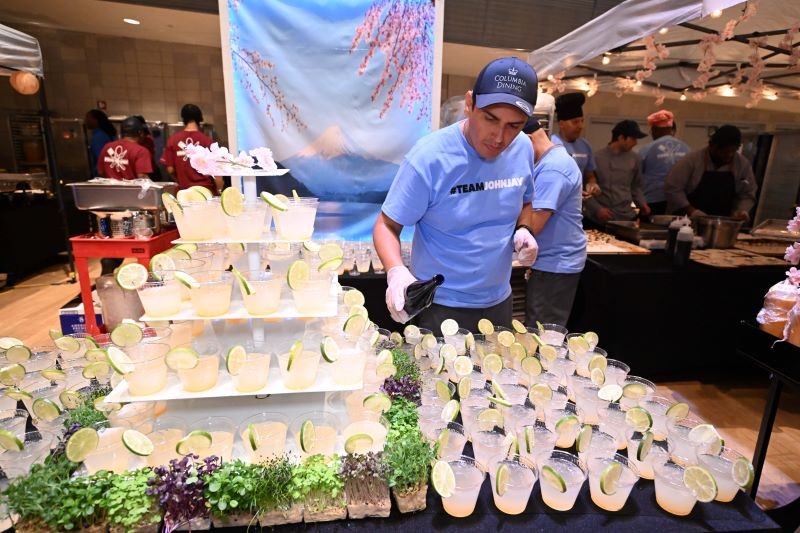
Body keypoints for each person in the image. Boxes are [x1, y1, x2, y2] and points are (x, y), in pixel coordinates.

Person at [373, 57, 539, 333]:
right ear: (470, 104)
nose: (499, 137)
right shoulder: (429, 157)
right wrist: (396, 271)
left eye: (514, 125)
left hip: (499, 301)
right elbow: (386, 226)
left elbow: (525, 199)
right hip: (440, 305)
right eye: (490, 119)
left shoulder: (523, 148)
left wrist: (524, 229)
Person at [522, 118, 586, 327]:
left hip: (556, 265)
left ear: (528, 140)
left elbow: (534, 226)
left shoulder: (553, 169)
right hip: (552, 262)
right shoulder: (553, 161)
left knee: (543, 333)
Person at [664, 124, 757, 221]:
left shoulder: (742, 164)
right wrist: (692, 211)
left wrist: (742, 210)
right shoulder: (691, 160)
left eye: (733, 151)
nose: (729, 155)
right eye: (724, 152)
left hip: (722, 223)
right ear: (711, 145)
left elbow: (748, 193)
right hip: (686, 221)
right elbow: (672, 189)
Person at [585, 119, 650, 225]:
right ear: (621, 138)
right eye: (633, 139)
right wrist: (597, 209)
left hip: (626, 217)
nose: (636, 143)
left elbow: (636, 186)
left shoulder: (635, 159)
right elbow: (585, 189)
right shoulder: (596, 158)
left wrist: (642, 204)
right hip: (599, 218)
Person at [160, 104, 222, 194]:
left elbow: (170, 169)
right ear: (200, 119)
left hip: (183, 193)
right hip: (205, 192)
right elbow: (217, 172)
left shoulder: (173, 140)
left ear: (183, 119)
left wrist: (181, 181)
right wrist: (219, 189)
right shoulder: (207, 141)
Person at [638, 110, 690, 215]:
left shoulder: (646, 149)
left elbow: (636, 176)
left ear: (654, 130)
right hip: (680, 202)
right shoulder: (686, 148)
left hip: (653, 200)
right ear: (671, 129)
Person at [551, 92, 601, 199]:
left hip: (578, 206)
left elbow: (590, 175)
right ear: (561, 124)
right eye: (575, 122)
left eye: (582, 121)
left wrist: (592, 184)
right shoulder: (550, 144)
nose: (580, 126)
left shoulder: (585, 145)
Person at [97, 116, 153, 180]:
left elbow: (101, 172)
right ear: (140, 132)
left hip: (109, 189)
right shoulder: (141, 151)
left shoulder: (107, 147)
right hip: (131, 189)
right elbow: (142, 177)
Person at [84, 109, 117, 177]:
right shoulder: (108, 134)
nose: (85, 121)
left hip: (102, 175)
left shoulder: (99, 136)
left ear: (96, 120)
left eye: (88, 118)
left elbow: (100, 157)